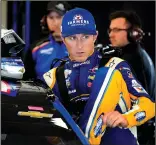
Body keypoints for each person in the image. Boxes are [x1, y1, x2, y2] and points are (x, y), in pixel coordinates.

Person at [43, 8, 155, 145]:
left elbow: (149, 106)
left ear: (95, 37)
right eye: (72, 38)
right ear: (64, 39)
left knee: (106, 73)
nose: (79, 45)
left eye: (85, 37)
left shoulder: (115, 66)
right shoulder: (53, 76)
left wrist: (126, 118)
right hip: (71, 140)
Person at [107, 10, 155, 99]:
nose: (111, 35)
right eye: (110, 30)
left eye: (116, 30)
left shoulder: (131, 60)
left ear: (133, 33)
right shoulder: (140, 53)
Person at [23, 1, 71, 81]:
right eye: (51, 18)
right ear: (45, 20)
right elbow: (26, 80)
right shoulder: (36, 48)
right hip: (42, 92)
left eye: (59, 17)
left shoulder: (80, 45)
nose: (55, 23)